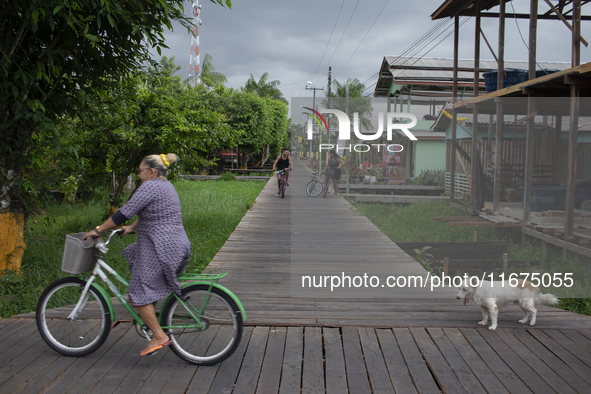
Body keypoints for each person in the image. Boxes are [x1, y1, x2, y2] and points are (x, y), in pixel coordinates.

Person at [84, 153, 191, 357]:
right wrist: (131, 228)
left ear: (152, 171)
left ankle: (159, 336)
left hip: (163, 249)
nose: (138, 175)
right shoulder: (166, 186)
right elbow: (151, 213)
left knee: (139, 291)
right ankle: (153, 324)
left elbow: (123, 213)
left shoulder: (150, 186)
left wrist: (99, 230)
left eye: (140, 171)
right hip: (175, 246)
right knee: (137, 261)